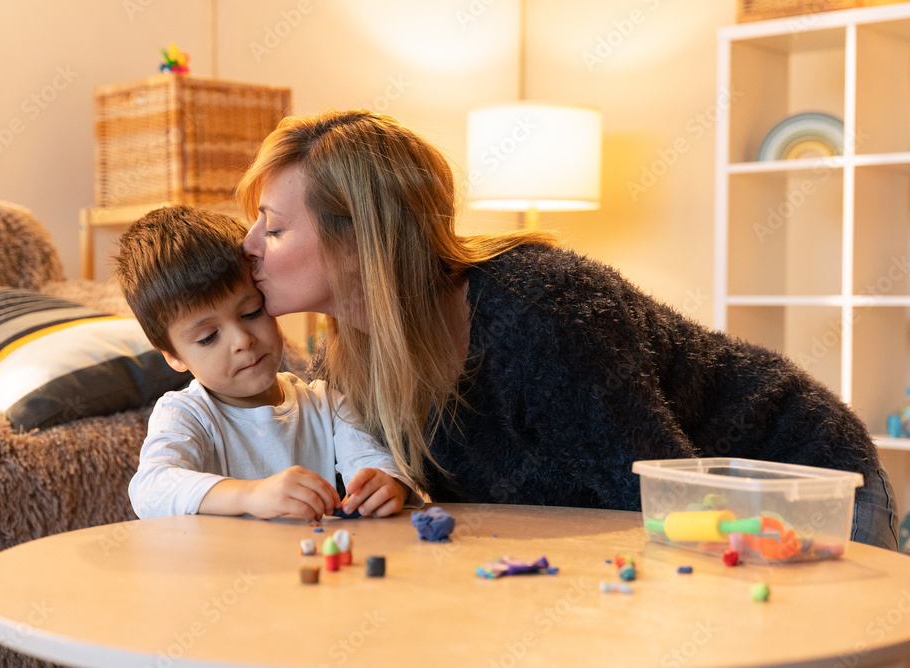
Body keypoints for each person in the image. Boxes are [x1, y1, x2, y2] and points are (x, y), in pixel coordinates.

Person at [237, 109, 899, 550]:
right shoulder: (348, 354)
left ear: (364, 239)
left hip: (798, 484)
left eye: (274, 225)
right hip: (655, 523)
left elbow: (662, 503)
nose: (249, 245)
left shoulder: (540, 308)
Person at [114, 204, 419, 522]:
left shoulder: (325, 404)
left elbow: (373, 461)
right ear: (174, 357)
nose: (242, 340)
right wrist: (250, 494)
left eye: (251, 313)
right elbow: (150, 489)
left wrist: (387, 484)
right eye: (208, 337)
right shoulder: (186, 414)